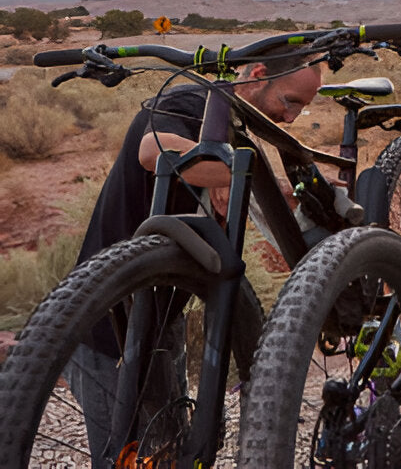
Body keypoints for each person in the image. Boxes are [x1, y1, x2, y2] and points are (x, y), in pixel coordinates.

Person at [64, 50, 322, 465]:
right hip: (105, 328)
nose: (290, 117)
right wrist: (239, 172)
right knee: (123, 458)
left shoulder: (232, 129)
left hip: (162, 320)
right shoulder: (191, 102)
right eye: (290, 101)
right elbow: (153, 151)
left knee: (169, 451)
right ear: (257, 76)